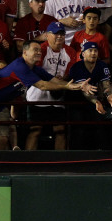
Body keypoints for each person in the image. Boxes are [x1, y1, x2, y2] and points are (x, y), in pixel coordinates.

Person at [0, 40, 96, 149]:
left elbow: (53, 80)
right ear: (24, 53)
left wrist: (75, 86)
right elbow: (42, 85)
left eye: (40, 50)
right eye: (35, 50)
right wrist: (66, 86)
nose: (39, 52)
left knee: (3, 138)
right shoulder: (19, 66)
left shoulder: (35, 69)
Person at [25, 22, 77, 150]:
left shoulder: (70, 51)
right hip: (37, 96)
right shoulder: (40, 49)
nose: (59, 37)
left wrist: (63, 78)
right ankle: (27, 163)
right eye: (55, 34)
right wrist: (54, 80)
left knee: (60, 131)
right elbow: (35, 71)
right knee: (35, 130)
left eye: (62, 34)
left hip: (57, 97)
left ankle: (59, 164)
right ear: (47, 35)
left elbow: (70, 72)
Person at [68, 41, 112, 149]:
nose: (93, 53)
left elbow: (106, 84)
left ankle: (102, 157)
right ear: (83, 54)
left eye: (95, 51)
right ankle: (77, 158)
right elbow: (84, 90)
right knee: (79, 129)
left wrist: (109, 95)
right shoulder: (77, 67)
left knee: (102, 126)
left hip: (94, 101)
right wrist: (96, 102)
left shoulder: (102, 65)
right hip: (77, 102)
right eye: (90, 51)